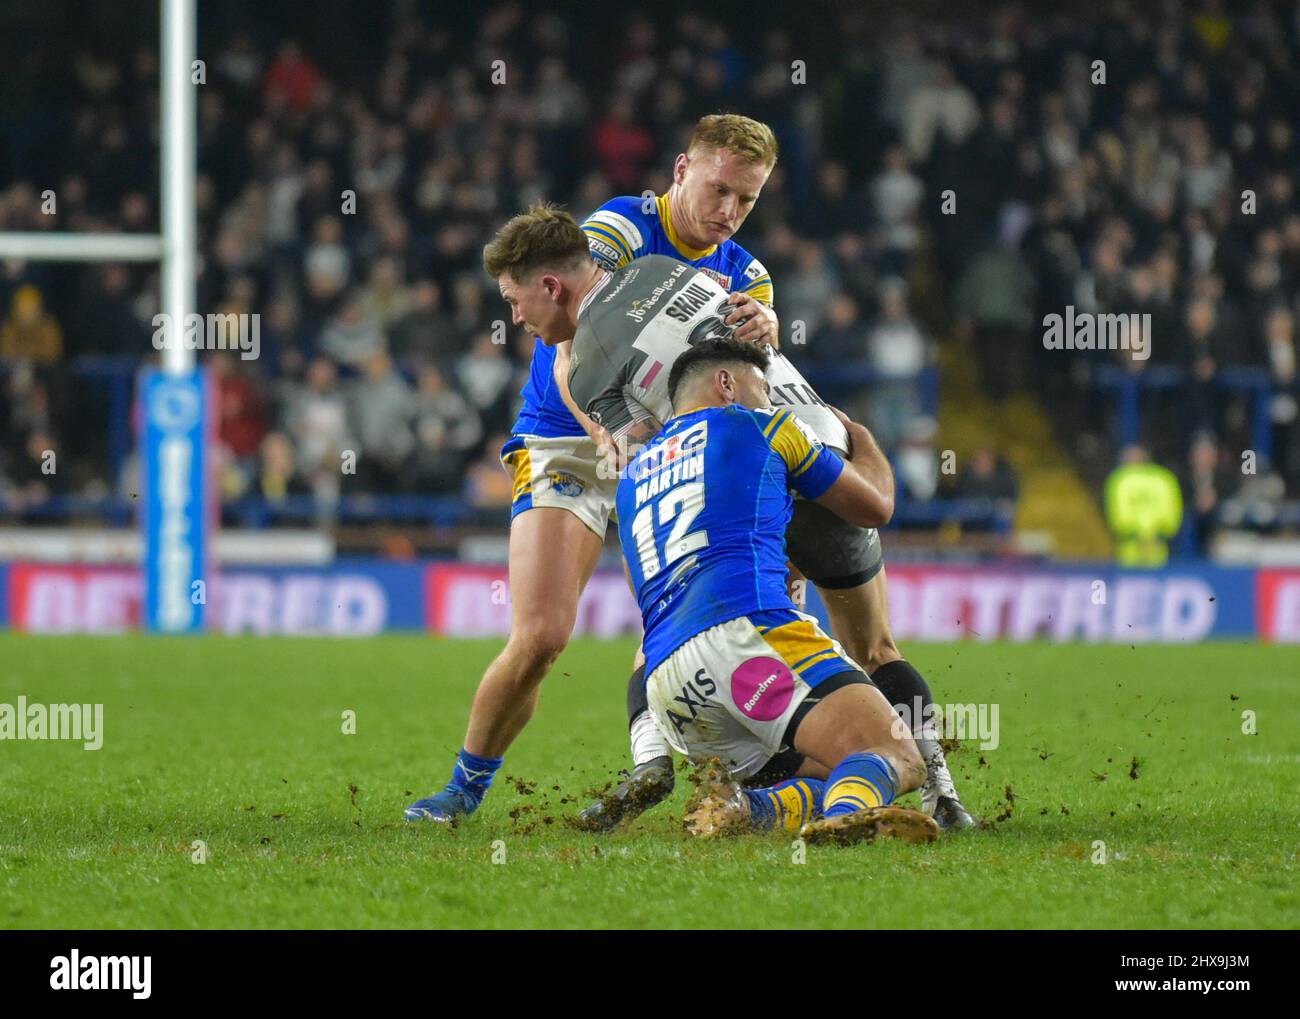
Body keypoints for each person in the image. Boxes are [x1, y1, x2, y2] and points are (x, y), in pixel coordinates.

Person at [554, 115, 973, 831]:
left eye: (745, 202)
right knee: (836, 641)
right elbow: (572, 344)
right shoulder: (623, 228)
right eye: (718, 190)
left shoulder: (749, 274)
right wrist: (606, 431)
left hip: (756, 465)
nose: (727, 212)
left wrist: (769, 335)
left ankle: (932, 788)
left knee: (706, 615)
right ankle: (901, 782)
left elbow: (759, 382)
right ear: (681, 169)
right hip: (739, 453)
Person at [618, 337, 936, 845]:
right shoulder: (762, 425)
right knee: (898, 755)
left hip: (670, 686)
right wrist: (864, 440)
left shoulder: (632, 476)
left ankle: (749, 809)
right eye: (762, 388)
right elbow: (874, 507)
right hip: (749, 640)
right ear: (727, 385)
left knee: (823, 769)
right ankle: (844, 820)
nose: (770, 399)